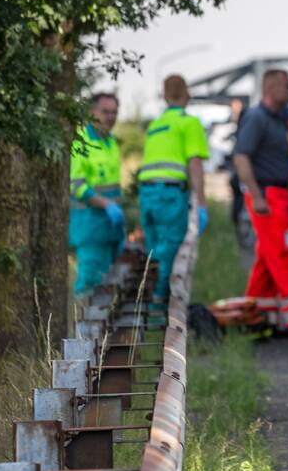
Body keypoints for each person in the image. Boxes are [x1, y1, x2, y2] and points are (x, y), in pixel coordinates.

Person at [232, 69, 288, 333]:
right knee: (281, 253)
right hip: (267, 197)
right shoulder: (256, 118)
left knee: (267, 257)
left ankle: (256, 316)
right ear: (271, 88)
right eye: (286, 85)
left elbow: (272, 159)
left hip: (278, 194)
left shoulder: (278, 120)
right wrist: (256, 196)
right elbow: (241, 157)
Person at [139, 74, 209, 307]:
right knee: (170, 246)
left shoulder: (155, 126)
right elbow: (195, 165)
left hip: (147, 193)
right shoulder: (189, 123)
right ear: (187, 95)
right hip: (170, 194)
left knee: (154, 247)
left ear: (165, 96)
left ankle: (147, 295)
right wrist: (202, 204)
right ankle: (159, 302)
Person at [69, 92, 124, 295]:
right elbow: (77, 186)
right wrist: (107, 205)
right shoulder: (80, 141)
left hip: (111, 229)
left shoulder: (111, 142)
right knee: (89, 283)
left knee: (108, 286)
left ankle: (101, 328)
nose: (110, 117)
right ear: (92, 112)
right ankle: (83, 328)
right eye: (105, 112)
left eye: (114, 112)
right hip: (90, 228)